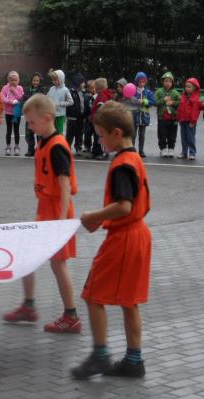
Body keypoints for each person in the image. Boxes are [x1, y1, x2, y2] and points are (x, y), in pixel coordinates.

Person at [71, 101, 151, 380]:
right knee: (130, 301)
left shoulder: (121, 164)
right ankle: (133, 360)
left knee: (93, 295)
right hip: (139, 235)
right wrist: (102, 221)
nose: (100, 139)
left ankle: (101, 355)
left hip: (125, 238)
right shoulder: (135, 158)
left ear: (116, 133)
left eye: (101, 135)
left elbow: (124, 206)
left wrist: (93, 216)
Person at [3, 93, 81, 334]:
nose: (29, 126)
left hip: (57, 210)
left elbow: (65, 185)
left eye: (32, 122)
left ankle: (71, 316)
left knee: (58, 265)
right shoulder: (43, 141)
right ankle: (29, 306)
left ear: (47, 118)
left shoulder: (57, 146)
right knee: (26, 255)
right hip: (45, 209)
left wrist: (60, 222)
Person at [154, 72, 180, 158]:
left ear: (172, 82)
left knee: (172, 134)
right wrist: (163, 100)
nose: (167, 83)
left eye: (169, 81)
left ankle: (171, 148)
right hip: (162, 118)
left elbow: (180, 103)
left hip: (173, 118)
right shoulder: (159, 92)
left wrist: (173, 103)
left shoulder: (175, 93)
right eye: (166, 81)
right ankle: (163, 149)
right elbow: (155, 102)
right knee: (162, 134)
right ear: (163, 82)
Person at [176, 77, 201, 160]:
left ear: (194, 88)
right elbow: (180, 108)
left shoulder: (195, 98)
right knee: (183, 138)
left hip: (190, 122)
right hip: (183, 120)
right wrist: (179, 118)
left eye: (189, 87)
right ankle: (184, 152)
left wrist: (193, 121)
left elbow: (195, 111)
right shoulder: (183, 96)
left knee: (190, 138)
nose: (187, 88)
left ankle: (192, 152)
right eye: (186, 86)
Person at [90, 78, 116, 160]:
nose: (95, 90)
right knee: (97, 136)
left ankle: (102, 152)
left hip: (101, 120)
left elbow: (101, 107)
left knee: (100, 137)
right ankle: (95, 151)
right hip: (98, 120)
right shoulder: (102, 95)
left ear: (100, 89)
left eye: (96, 88)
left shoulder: (103, 96)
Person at [130, 72, 155, 157]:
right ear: (136, 82)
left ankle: (141, 150)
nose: (142, 83)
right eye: (140, 82)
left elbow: (152, 102)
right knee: (133, 134)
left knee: (142, 134)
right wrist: (136, 101)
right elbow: (129, 100)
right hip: (134, 116)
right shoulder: (133, 91)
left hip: (144, 117)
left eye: (143, 82)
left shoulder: (148, 92)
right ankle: (132, 149)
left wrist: (144, 101)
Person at [1, 70, 24, 156]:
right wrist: (11, 102)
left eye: (15, 80)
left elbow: (21, 98)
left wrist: (14, 91)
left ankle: (17, 147)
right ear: (8, 80)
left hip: (17, 112)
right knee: (9, 130)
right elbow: (3, 98)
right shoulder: (5, 88)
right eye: (12, 80)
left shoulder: (20, 88)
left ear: (18, 80)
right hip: (8, 112)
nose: (13, 82)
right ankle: (8, 147)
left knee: (16, 130)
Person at [22, 72, 46, 157]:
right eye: (34, 80)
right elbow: (23, 100)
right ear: (31, 81)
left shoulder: (42, 90)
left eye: (37, 80)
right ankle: (30, 149)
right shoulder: (27, 90)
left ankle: (40, 150)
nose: (35, 82)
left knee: (39, 135)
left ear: (40, 81)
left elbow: (43, 101)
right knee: (29, 134)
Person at [47, 69, 73, 134]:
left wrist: (60, 104)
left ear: (61, 79)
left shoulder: (65, 90)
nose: (53, 81)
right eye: (52, 79)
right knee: (50, 132)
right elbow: (47, 97)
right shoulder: (52, 88)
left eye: (55, 79)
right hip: (51, 114)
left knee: (59, 133)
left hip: (60, 115)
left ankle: (59, 143)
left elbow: (71, 102)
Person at [65, 73, 85, 155]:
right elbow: (69, 104)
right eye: (82, 82)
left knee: (79, 133)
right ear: (78, 82)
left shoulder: (82, 92)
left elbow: (83, 103)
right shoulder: (71, 91)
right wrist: (69, 113)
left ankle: (78, 147)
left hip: (80, 117)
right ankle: (67, 147)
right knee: (70, 134)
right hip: (72, 117)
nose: (84, 84)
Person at [82, 80, 97, 153]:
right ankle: (87, 146)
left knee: (95, 133)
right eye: (92, 88)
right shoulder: (86, 96)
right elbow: (86, 107)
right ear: (88, 88)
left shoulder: (96, 96)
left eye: (94, 88)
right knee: (87, 133)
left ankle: (94, 147)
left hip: (94, 118)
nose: (93, 90)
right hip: (88, 117)